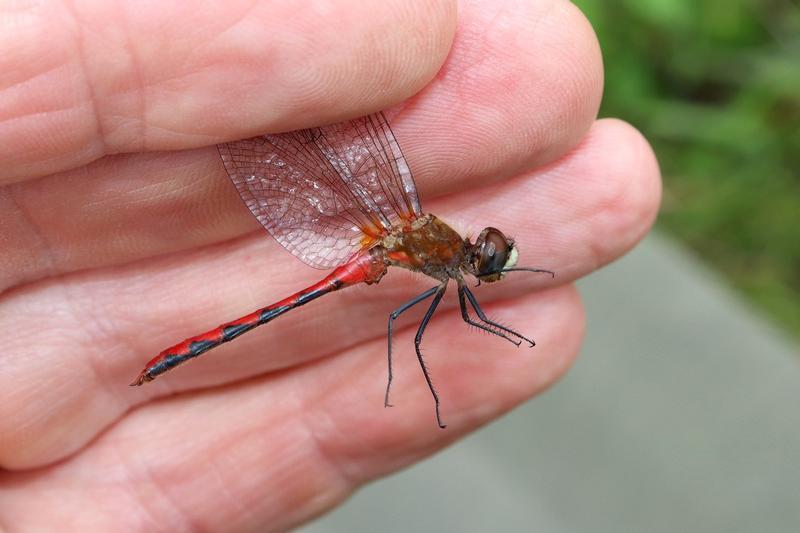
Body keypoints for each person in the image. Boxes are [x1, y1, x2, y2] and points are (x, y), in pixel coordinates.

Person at [0, 0, 660, 530]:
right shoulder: (439, 255)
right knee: (418, 329)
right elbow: (457, 322)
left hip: (375, 242)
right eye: (490, 257)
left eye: (490, 257)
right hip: (371, 248)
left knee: (417, 320)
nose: (487, 261)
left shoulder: (429, 239)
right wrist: (491, 331)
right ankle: (167, 359)